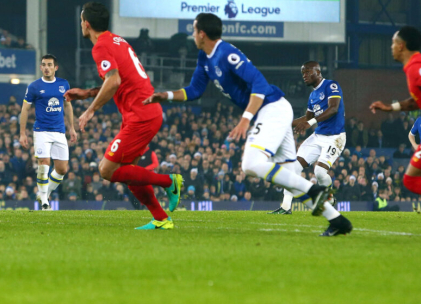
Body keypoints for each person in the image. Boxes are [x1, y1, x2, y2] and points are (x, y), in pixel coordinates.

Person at [144, 13, 353, 236]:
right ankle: (338, 221)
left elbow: (259, 84)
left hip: (272, 108)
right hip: (273, 111)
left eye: (194, 30)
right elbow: (194, 90)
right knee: (291, 175)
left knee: (250, 165)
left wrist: (245, 119)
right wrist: (164, 95)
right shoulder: (205, 59)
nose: (193, 34)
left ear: (202, 33)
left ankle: (315, 190)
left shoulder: (227, 53)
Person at [64, 2, 182, 230]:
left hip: (141, 115)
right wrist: (88, 93)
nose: (81, 24)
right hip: (144, 112)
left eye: (81, 21)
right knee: (130, 172)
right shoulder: (117, 40)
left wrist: (90, 110)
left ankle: (169, 182)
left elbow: (114, 80)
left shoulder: (99, 47)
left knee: (106, 170)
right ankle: (161, 218)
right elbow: (119, 80)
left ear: (86, 25)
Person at [271, 62, 346, 214]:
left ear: (317, 72)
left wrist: (310, 123)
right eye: (302, 73)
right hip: (318, 136)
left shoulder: (331, 85)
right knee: (292, 168)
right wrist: (285, 124)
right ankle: (285, 207)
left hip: (335, 137)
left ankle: (330, 198)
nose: (304, 76)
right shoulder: (312, 95)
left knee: (319, 172)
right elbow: (307, 118)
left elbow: (333, 108)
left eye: (307, 72)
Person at [370, 26, 421, 199]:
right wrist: (391, 107)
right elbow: (416, 101)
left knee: (411, 180)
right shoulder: (414, 66)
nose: (391, 47)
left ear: (401, 45)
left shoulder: (416, 66)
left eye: (393, 43)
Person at [19, 54, 76, 209]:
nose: (46, 68)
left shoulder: (64, 84)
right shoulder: (34, 86)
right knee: (44, 163)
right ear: (40, 67)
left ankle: (44, 192)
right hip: (41, 131)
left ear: (55, 67)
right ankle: (44, 202)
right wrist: (22, 133)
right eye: (44, 65)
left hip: (59, 131)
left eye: (49, 65)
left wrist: (72, 128)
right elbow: (25, 109)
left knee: (62, 169)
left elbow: (68, 106)